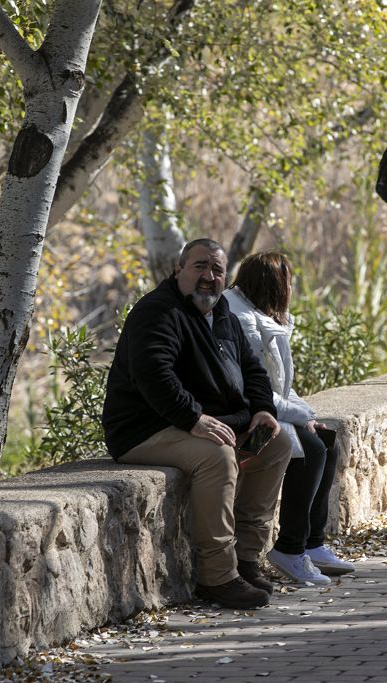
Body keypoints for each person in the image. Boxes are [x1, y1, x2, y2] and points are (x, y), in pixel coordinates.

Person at [102, 238, 292, 610]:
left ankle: (247, 559)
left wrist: (262, 409)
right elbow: (154, 374)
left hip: (203, 423)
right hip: (146, 429)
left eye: (217, 270)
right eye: (199, 266)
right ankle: (218, 576)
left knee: (277, 443)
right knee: (216, 457)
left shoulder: (223, 316)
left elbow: (253, 370)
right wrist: (193, 419)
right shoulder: (158, 312)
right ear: (178, 271)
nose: (209, 276)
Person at [223, 252, 356, 587]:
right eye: (289, 281)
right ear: (275, 284)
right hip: (251, 419)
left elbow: (282, 385)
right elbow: (256, 388)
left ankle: (311, 543)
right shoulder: (244, 320)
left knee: (327, 442)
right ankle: (290, 549)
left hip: (269, 411)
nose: (292, 288)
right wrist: (302, 416)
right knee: (309, 449)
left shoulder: (265, 317)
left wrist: (306, 415)